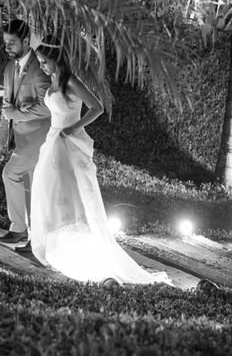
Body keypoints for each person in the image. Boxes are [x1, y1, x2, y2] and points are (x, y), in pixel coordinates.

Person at [30, 38, 170, 284]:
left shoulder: (71, 81)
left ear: (56, 59)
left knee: (75, 196)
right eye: (40, 62)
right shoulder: (53, 82)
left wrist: (74, 127)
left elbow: (97, 107)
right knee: (51, 195)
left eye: (44, 62)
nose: (42, 66)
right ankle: (60, 249)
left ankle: (86, 250)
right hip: (53, 142)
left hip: (69, 142)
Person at [0, 20, 51, 247]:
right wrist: (0, 141)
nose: (7, 47)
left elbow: (47, 106)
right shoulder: (9, 69)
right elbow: (6, 108)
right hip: (21, 140)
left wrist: (18, 113)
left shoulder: (40, 66)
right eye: (5, 42)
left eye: (12, 43)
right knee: (30, 187)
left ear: (26, 41)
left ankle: (19, 229)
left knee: (11, 174)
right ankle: (33, 238)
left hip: (40, 137)